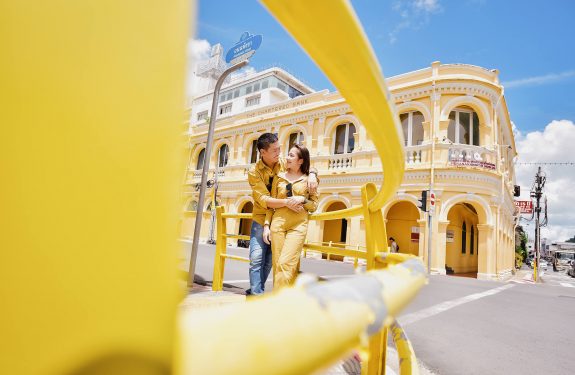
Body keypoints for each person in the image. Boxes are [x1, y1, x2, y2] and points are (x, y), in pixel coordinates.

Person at [246, 133, 318, 296]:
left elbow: (304, 163)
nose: (280, 153)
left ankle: (270, 295)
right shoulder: (254, 171)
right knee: (257, 258)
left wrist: (313, 173)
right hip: (262, 216)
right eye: (275, 150)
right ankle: (257, 295)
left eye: (280, 148)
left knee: (278, 262)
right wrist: (286, 203)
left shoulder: (284, 163)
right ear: (263, 152)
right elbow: (265, 200)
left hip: (288, 221)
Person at [263, 144, 319, 289]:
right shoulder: (279, 178)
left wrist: (303, 199)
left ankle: (281, 304)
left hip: (298, 226)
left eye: (291, 155)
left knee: (285, 263)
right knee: (278, 265)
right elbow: (270, 204)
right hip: (278, 225)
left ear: (301, 161)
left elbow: (313, 205)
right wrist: (266, 226)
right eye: (288, 154)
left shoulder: (309, 180)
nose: (287, 158)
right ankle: (284, 302)